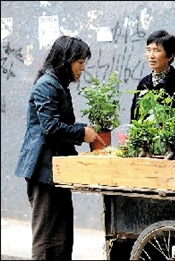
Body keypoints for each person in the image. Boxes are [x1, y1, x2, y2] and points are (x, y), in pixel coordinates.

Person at [14, 35, 106, 260]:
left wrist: (84, 128)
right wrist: (81, 133)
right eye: (80, 62)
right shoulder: (47, 85)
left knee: (61, 237)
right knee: (47, 239)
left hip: (55, 169)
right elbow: (50, 127)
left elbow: (58, 125)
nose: (83, 68)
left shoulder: (57, 84)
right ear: (66, 60)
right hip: (43, 169)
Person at [130, 29, 175, 122]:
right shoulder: (144, 83)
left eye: (156, 50)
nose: (151, 55)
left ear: (170, 55)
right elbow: (134, 117)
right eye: (148, 50)